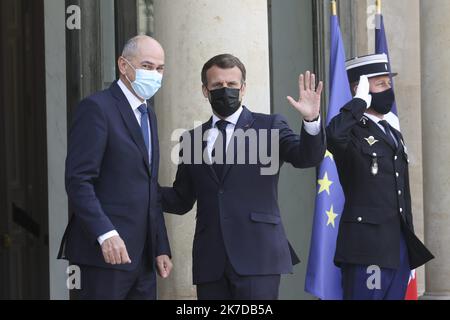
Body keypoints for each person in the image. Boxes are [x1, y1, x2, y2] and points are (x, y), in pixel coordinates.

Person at [161, 54, 326, 300]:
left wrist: (311, 120)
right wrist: (140, 185)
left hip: (258, 256)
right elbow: (181, 200)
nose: (224, 90)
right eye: (217, 86)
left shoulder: (269, 126)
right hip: (211, 262)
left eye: (232, 85)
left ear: (243, 89)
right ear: (205, 90)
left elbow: (306, 157)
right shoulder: (191, 139)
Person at [58, 35, 173, 300]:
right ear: (123, 65)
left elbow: (149, 186)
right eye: (146, 66)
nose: (154, 74)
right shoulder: (97, 108)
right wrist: (105, 233)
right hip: (103, 256)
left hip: (143, 259)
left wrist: (160, 246)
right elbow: (78, 181)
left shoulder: (149, 114)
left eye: (159, 68)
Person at [327, 53, 434, 300]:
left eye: (389, 83)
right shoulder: (351, 129)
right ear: (360, 88)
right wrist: (358, 103)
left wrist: (407, 249)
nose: (388, 90)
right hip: (367, 248)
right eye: (381, 84)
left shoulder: (391, 130)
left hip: (396, 247)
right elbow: (333, 137)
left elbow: (401, 195)